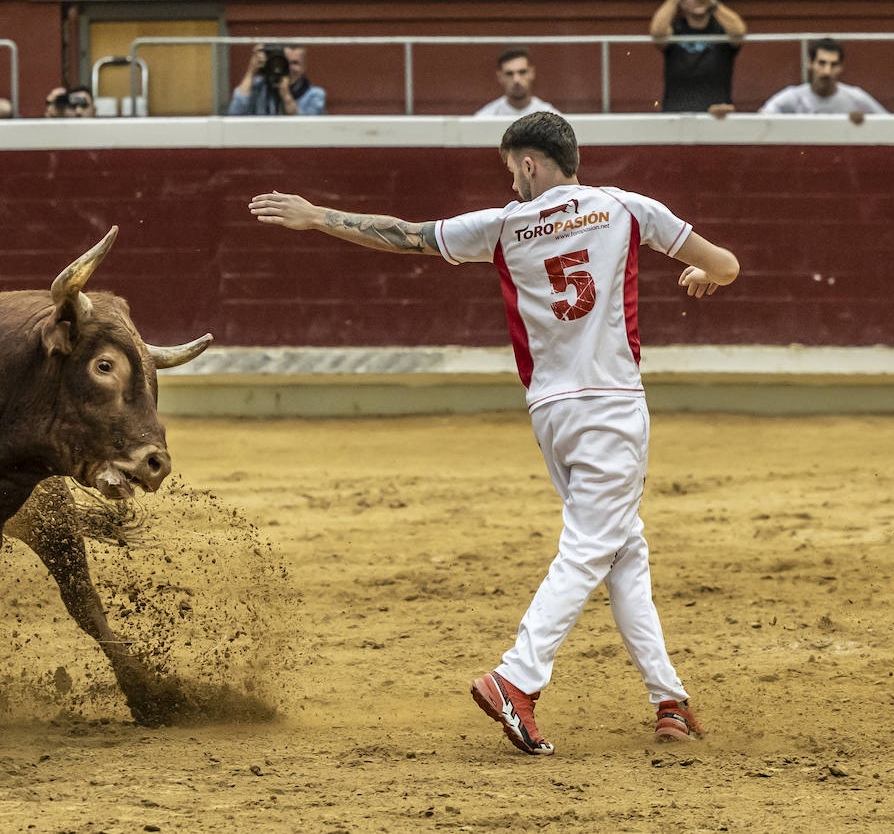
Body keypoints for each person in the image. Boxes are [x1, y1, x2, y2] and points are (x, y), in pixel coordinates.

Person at [249, 111, 739, 756]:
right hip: (612, 405)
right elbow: (725, 265)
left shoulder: (504, 226)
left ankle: (667, 697)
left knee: (622, 547)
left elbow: (405, 236)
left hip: (551, 413)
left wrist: (320, 217)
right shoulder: (627, 208)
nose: (512, 185)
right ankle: (518, 679)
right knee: (594, 544)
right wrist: (704, 276)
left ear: (531, 163)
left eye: (513, 171)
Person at [649, 0, 747, 114]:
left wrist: (711, 2)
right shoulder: (676, 29)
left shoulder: (722, 30)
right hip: (676, 115)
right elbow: (657, 33)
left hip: (716, 115)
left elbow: (739, 33)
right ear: (682, 2)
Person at [759, 38, 886, 123]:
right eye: (822, 63)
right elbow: (762, 117)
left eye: (833, 65)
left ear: (840, 67)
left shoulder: (855, 98)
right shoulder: (793, 96)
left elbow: (888, 123)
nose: (827, 71)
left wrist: (866, 123)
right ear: (810, 63)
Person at [228, 43, 326, 116]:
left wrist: (286, 96)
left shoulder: (315, 95)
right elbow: (235, 113)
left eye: (295, 63)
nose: (290, 68)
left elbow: (307, 128)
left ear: (304, 67)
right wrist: (251, 71)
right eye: (285, 62)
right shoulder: (258, 87)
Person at [474, 48, 561, 117]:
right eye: (509, 74)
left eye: (522, 72)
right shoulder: (486, 117)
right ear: (500, 77)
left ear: (531, 73)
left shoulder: (551, 117)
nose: (516, 79)